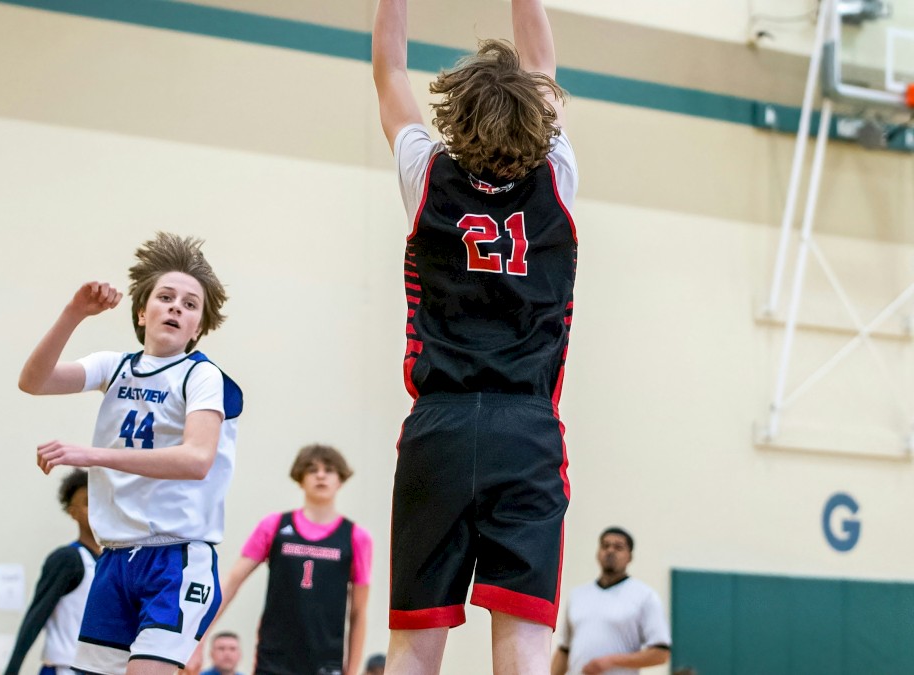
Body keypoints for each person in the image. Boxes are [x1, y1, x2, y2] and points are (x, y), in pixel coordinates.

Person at [372, 0, 578, 673]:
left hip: (440, 424)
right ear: (539, 115)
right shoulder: (557, 176)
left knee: (412, 642)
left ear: (454, 116)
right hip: (527, 427)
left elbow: (390, 73)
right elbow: (542, 64)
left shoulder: (426, 174)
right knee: (523, 647)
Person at [19, 232, 242, 675]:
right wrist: (74, 313)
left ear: (198, 326)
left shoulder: (201, 377)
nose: (177, 306)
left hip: (177, 560)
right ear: (143, 311)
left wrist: (95, 455)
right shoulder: (114, 366)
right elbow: (34, 381)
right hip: (117, 560)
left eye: (190, 303)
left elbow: (196, 459)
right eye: (166, 297)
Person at [209, 444, 372, 675]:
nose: (321, 475)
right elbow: (231, 581)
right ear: (300, 478)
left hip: (325, 662)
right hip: (274, 660)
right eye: (312, 469)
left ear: (341, 479)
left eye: (329, 470)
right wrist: (199, 636)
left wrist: (353, 670)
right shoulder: (274, 526)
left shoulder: (356, 537)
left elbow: (358, 612)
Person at [5, 469, 100, 675]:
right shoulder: (67, 559)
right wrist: (11, 670)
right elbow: (36, 616)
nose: (96, 508)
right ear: (72, 512)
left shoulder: (117, 561)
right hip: (66, 668)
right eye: (87, 503)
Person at [551, 528, 670, 675]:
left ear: (629, 556)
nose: (610, 551)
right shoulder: (577, 595)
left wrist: (611, 661)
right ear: (598, 553)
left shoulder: (645, 596)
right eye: (605, 546)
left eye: (618, 547)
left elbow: (661, 653)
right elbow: (564, 650)